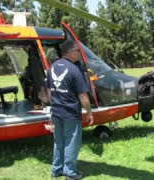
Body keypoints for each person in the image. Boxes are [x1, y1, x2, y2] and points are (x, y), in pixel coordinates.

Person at [46, 40, 94, 180]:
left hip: (56, 112)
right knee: (71, 143)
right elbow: (83, 96)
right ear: (71, 52)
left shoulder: (52, 68)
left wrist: (54, 106)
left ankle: (56, 170)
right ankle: (70, 173)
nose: (79, 54)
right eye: (78, 51)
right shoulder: (74, 70)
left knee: (58, 142)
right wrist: (89, 112)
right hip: (70, 113)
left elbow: (49, 91)